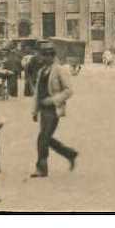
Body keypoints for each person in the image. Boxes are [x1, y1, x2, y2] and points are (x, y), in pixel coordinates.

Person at [31, 43, 78, 177]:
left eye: (46, 56)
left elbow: (69, 91)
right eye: (42, 55)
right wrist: (34, 111)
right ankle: (70, 154)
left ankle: (41, 168)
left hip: (53, 109)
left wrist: (52, 100)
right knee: (46, 138)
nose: (43, 58)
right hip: (43, 110)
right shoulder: (42, 71)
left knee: (43, 138)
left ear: (52, 56)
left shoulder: (60, 70)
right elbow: (37, 93)